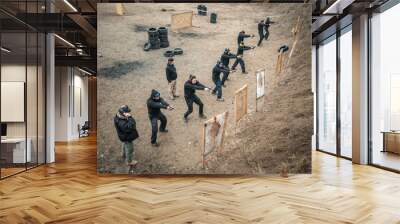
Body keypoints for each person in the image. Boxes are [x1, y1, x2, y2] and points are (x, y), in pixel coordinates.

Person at [114, 105, 139, 171]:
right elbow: (132, 126)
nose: (129, 113)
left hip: (123, 137)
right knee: (130, 149)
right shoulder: (122, 123)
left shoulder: (117, 116)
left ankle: (123, 154)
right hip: (127, 137)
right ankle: (129, 161)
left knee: (124, 144)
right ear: (124, 114)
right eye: (127, 112)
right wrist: (130, 117)